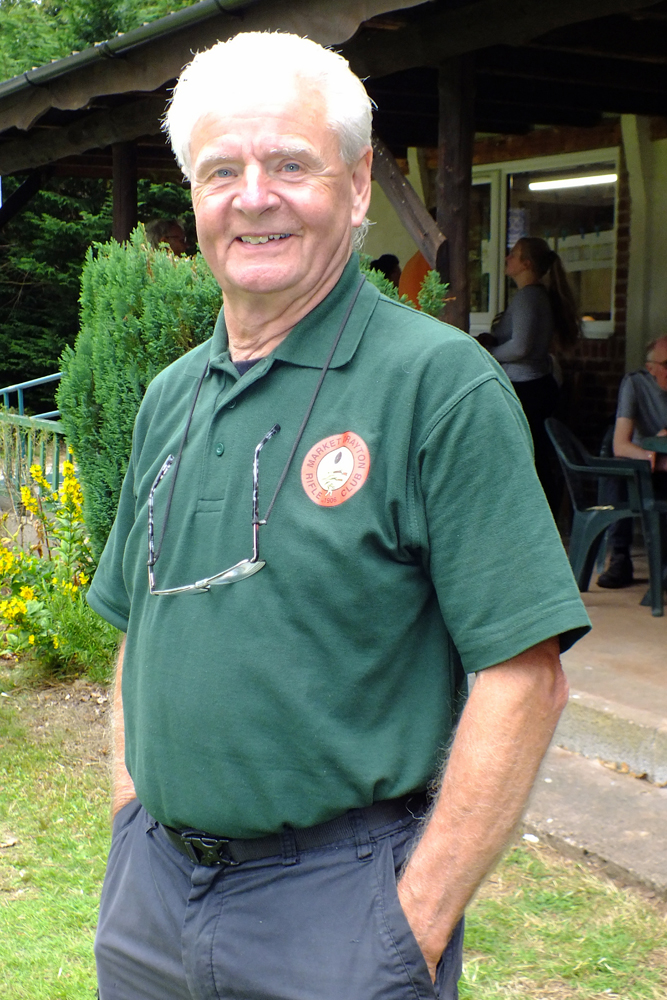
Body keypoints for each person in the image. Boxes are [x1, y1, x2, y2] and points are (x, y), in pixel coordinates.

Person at [88, 32, 590, 1000]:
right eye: (220, 169)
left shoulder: (436, 386)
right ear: (194, 198)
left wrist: (409, 923)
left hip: (338, 913)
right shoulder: (171, 395)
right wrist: (128, 821)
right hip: (151, 900)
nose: (253, 196)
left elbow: (524, 680)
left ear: (358, 187)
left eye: (290, 164)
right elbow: (138, 628)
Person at [478, 237, 580, 514]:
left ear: (527, 264)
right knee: (536, 456)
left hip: (526, 388)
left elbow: (521, 346)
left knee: (526, 457)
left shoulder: (527, 296)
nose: (507, 258)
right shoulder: (537, 296)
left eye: (514, 254)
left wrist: (488, 351)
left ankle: (530, 516)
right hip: (537, 386)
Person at [597, 335, 667, 588]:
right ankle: (620, 558)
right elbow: (621, 444)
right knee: (618, 472)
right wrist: (653, 458)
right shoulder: (635, 384)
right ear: (651, 368)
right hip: (642, 462)